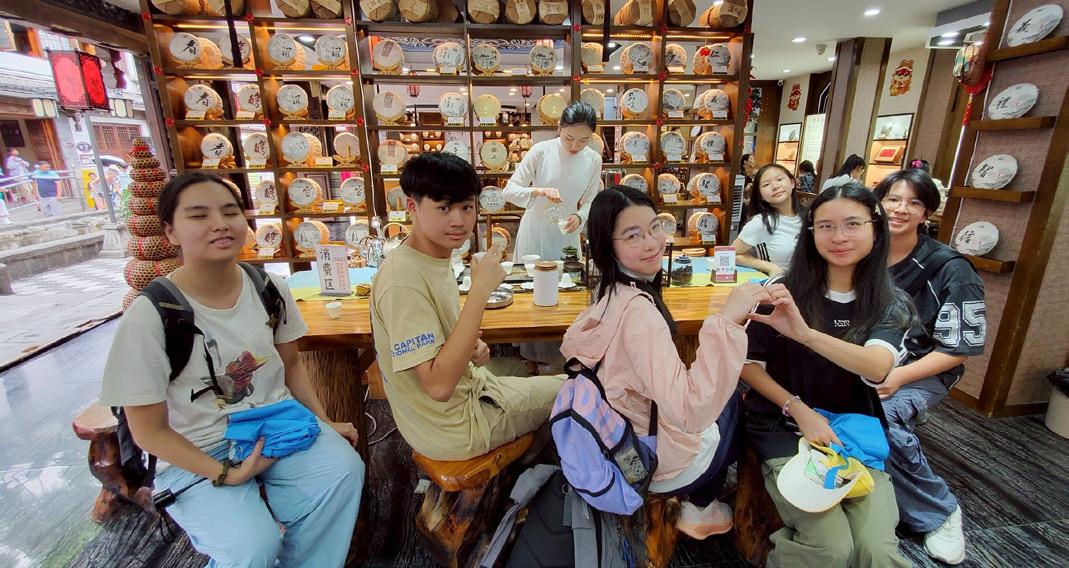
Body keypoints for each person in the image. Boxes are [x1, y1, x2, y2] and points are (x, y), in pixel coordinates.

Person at [98, 172, 365, 567]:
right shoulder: (151, 315)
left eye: (230, 212)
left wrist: (323, 421)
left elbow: (292, 364)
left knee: (342, 471)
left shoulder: (268, 288)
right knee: (250, 546)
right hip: (196, 447)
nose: (220, 224)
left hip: (275, 427)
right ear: (170, 232)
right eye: (199, 215)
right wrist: (225, 473)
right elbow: (148, 431)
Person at [561, 185, 769, 539]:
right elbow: (690, 411)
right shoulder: (640, 313)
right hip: (652, 463)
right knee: (733, 402)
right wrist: (727, 320)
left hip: (611, 440)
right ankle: (701, 505)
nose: (652, 243)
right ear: (607, 246)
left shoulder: (606, 293)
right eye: (633, 235)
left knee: (723, 396)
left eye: (655, 227)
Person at [740, 182, 913, 567]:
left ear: (875, 228)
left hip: (854, 434)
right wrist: (798, 408)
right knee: (830, 547)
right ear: (811, 232)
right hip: (784, 427)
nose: (839, 237)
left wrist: (805, 334)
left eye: (852, 224)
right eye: (825, 226)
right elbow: (748, 364)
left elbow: (877, 366)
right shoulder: (781, 290)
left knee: (877, 550)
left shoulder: (890, 302)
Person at [370, 152, 564, 461]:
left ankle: (523, 464)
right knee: (576, 389)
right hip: (455, 427)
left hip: (461, 397)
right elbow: (438, 386)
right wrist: (480, 291)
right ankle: (530, 475)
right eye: (443, 208)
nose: (458, 221)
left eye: (466, 207)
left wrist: (469, 344)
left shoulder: (431, 256)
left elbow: (437, 339)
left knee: (521, 369)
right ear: (412, 207)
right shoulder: (402, 282)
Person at [874, 169, 985, 565]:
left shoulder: (950, 268)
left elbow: (959, 349)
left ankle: (939, 511)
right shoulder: (863, 251)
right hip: (865, 359)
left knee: (880, 417)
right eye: (892, 199)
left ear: (926, 213)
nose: (900, 209)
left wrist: (898, 376)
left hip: (921, 370)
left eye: (914, 202)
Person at [504, 101, 602, 262]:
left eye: (584, 140)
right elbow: (509, 191)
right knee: (530, 276)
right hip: (535, 232)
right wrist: (539, 191)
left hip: (566, 232)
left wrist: (580, 216)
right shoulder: (541, 151)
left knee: (567, 276)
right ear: (559, 128)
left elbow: (590, 200)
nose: (575, 146)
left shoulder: (593, 160)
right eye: (569, 138)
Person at [732, 164, 803, 276]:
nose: (775, 186)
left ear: (792, 182)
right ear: (760, 195)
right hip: (781, 284)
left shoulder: (811, 217)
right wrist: (770, 267)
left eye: (779, 179)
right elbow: (730, 254)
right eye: (766, 184)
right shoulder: (761, 222)